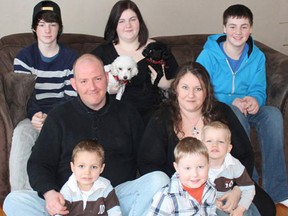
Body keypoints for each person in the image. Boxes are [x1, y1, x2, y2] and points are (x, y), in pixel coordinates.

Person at [3, 54, 170, 216]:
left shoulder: (128, 114)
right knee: (14, 201)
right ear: (74, 84)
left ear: (106, 77)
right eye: (84, 81)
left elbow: (147, 159)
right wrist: (49, 194)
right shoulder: (59, 116)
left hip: (114, 201)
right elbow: (39, 163)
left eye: (97, 79)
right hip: (67, 202)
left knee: (159, 180)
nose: (92, 87)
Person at [138, 62, 275, 216]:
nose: (191, 95)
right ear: (175, 89)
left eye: (198, 89)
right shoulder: (161, 117)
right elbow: (148, 164)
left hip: (227, 181)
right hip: (184, 187)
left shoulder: (222, 112)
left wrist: (237, 189)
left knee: (267, 208)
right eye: (185, 87)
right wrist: (189, 186)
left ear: (207, 92)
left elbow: (245, 155)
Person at [196, 4, 288, 207]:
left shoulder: (257, 56)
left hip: (248, 108)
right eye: (233, 26)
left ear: (251, 29)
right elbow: (200, 89)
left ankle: (279, 192)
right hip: (219, 107)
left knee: (273, 115)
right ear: (224, 28)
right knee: (235, 112)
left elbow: (259, 88)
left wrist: (255, 100)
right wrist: (230, 102)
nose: (238, 32)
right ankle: (250, 182)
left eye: (244, 27)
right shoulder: (208, 55)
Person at [9, 0, 78, 191]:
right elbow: (25, 96)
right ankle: (20, 197)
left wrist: (52, 117)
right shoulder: (24, 57)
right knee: (22, 133)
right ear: (34, 28)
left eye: (52, 24)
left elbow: (71, 97)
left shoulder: (71, 58)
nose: (47, 30)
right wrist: (36, 116)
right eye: (41, 25)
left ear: (59, 28)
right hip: (33, 116)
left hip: (63, 116)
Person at [91, 0, 178, 125]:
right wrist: (105, 90)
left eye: (133, 19)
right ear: (114, 25)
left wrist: (166, 84)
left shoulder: (158, 49)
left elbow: (182, 81)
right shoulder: (102, 52)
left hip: (152, 119)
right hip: (114, 118)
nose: (128, 25)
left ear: (140, 22)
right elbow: (85, 83)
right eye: (121, 21)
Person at [202, 121, 259, 216]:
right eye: (209, 141)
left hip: (229, 199)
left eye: (220, 141)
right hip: (206, 201)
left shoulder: (234, 164)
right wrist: (212, 201)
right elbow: (192, 189)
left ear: (229, 148)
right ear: (201, 146)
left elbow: (249, 188)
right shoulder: (198, 165)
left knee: (250, 210)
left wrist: (240, 209)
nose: (214, 145)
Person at [148, 137, 217, 215]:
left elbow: (211, 211)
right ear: (177, 168)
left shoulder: (210, 188)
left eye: (200, 167)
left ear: (208, 165)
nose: (195, 174)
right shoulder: (167, 198)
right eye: (187, 168)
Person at [59, 140, 121, 215]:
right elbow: (59, 213)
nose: (87, 172)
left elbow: (115, 212)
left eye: (94, 167)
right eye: (81, 166)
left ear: (101, 168)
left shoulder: (106, 187)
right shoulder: (68, 189)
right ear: (73, 167)